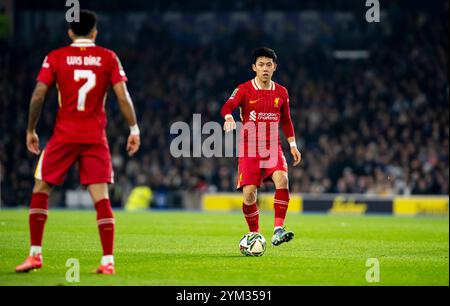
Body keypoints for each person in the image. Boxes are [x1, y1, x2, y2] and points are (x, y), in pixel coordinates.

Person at [15, 10, 140, 274]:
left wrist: (31, 130)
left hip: (64, 135)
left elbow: (38, 95)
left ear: (70, 33)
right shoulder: (108, 57)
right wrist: (134, 129)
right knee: (101, 198)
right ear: (95, 33)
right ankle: (108, 261)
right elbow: (122, 96)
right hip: (95, 137)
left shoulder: (56, 57)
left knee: (41, 189)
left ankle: (35, 256)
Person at [220, 47, 301, 246]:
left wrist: (292, 144)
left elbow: (287, 120)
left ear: (275, 67)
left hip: (273, 147)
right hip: (249, 148)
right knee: (249, 195)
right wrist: (229, 116)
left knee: (282, 179)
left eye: (269, 65)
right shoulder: (244, 89)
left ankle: (277, 230)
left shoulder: (282, 92)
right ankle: (255, 234)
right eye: (261, 65)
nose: (265, 68)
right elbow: (227, 105)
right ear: (254, 67)